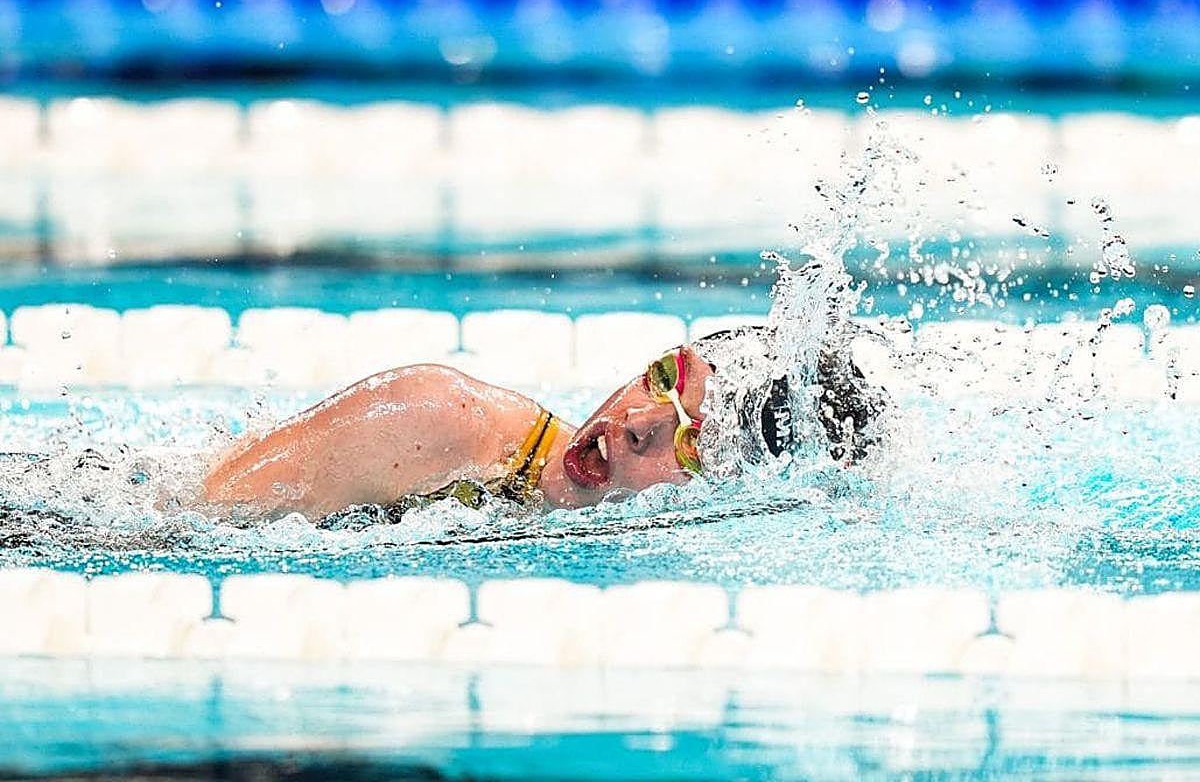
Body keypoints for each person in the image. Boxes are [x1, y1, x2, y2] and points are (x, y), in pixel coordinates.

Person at [202, 327, 883, 525]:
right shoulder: (439, 418)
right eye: (662, 379)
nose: (633, 422)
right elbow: (193, 516)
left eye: (691, 439)